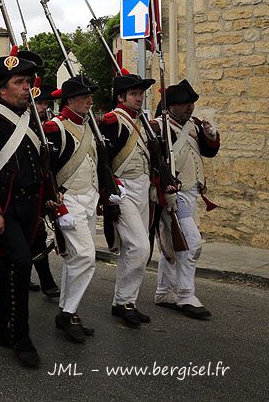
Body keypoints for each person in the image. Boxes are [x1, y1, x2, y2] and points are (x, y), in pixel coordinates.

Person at [0, 47, 57, 368]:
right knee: (21, 265)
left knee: (12, 269)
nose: (28, 88)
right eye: (21, 82)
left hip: (29, 207)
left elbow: (39, 164)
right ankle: (20, 337)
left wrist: (49, 196)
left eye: (28, 82)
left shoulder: (32, 118)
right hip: (4, 207)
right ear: (1, 87)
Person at [43, 76, 120, 343]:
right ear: (69, 100)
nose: (90, 100)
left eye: (90, 96)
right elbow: (48, 170)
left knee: (77, 259)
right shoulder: (54, 128)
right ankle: (68, 312)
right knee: (86, 256)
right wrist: (55, 205)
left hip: (89, 199)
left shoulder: (91, 127)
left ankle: (67, 312)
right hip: (69, 200)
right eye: (84, 96)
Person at [153, 80, 220, 319]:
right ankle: (185, 294)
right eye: (184, 104)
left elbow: (209, 151)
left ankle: (163, 291)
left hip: (192, 193)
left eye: (191, 104)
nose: (189, 108)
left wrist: (212, 136)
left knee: (175, 244)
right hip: (174, 195)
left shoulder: (194, 126)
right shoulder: (158, 127)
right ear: (171, 106)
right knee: (191, 242)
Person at [99, 70, 156, 328]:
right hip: (122, 189)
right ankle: (124, 302)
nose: (139, 98)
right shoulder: (113, 121)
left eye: (141, 93)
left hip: (142, 188)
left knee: (133, 249)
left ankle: (124, 302)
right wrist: (109, 191)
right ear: (121, 96)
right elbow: (104, 160)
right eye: (134, 93)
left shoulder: (143, 121)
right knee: (141, 247)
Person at [29, 79, 61, 298]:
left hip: (43, 184)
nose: (43, 107)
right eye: (39, 103)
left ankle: (45, 279)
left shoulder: (48, 124)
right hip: (23, 186)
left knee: (38, 235)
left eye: (45, 104)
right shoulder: (24, 123)